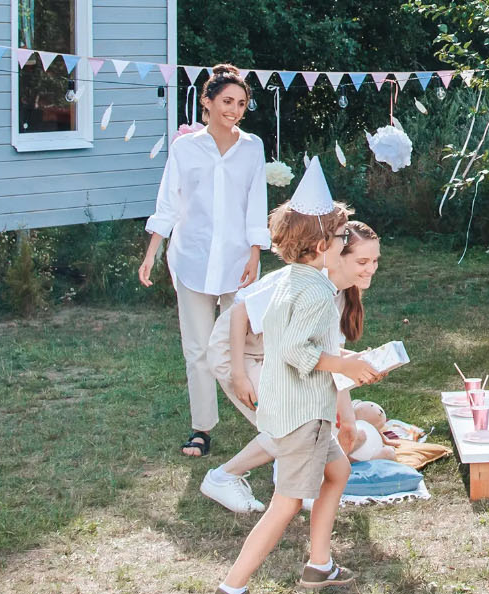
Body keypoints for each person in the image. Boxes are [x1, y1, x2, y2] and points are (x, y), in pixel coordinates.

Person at [216, 157, 381, 593]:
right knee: (285, 505)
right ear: (322, 243)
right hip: (303, 417)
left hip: (299, 411)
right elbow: (293, 350)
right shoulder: (318, 293)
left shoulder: (295, 279)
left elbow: (294, 341)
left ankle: (318, 565)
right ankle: (232, 586)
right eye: (343, 236)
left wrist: (341, 361)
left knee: (338, 471)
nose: (345, 242)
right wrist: (343, 364)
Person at [200, 221, 383, 513]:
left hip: (278, 353)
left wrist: (348, 419)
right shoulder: (303, 282)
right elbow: (240, 313)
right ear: (337, 255)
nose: (370, 269)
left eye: (374, 261)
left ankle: (292, 483)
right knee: (292, 421)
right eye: (362, 261)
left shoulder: (337, 292)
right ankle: (223, 477)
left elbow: (328, 358)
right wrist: (238, 374)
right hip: (239, 351)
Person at [138, 64, 270, 457]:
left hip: (238, 263)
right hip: (192, 259)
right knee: (197, 349)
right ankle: (202, 428)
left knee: (243, 347)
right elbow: (169, 203)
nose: (234, 109)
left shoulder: (252, 147)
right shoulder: (185, 148)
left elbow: (255, 204)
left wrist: (255, 252)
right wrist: (152, 254)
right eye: (227, 101)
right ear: (207, 102)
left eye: (242, 103)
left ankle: (261, 418)